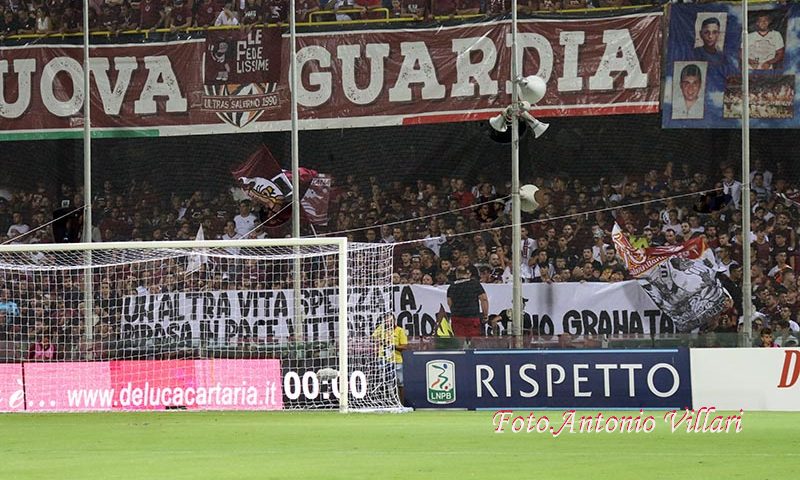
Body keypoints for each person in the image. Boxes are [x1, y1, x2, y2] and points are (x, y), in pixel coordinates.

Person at [446, 266, 489, 347]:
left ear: (457, 274)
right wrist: (485, 315)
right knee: (474, 344)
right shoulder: (475, 284)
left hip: (457, 318)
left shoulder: (451, 287)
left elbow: (449, 303)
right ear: (468, 273)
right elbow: (484, 299)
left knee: (459, 345)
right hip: (472, 318)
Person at [371, 313, 408, 405]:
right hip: (383, 359)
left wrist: (393, 346)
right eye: (386, 321)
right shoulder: (381, 329)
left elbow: (404, 346)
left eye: (390, 320)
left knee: (399, 383)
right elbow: (372, 338)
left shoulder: (399, 330)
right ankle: (386, 403)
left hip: (396, 360)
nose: (388, 322)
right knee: (383, 382)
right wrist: (381, 341)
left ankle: (401, 404)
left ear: (394, 321)